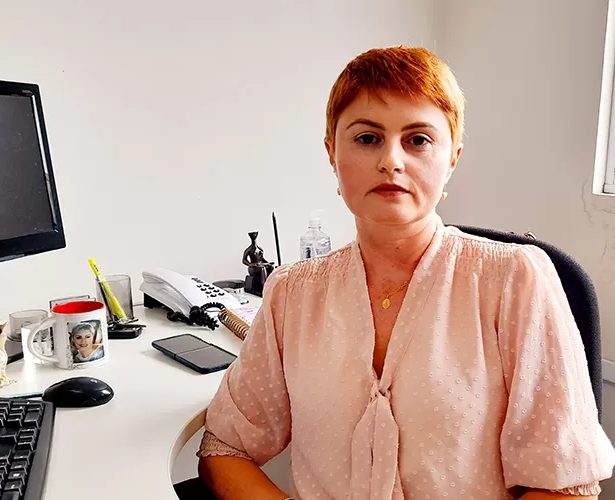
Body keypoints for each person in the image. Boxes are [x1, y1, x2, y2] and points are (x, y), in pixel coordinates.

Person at [194, 46, 615, 500]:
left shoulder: (515, 280)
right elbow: (225, 448)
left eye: (417, 140)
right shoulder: (291, 293)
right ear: (332, 154)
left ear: (452, 159)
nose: (391, 161)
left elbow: (567, 486)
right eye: (367, 138)